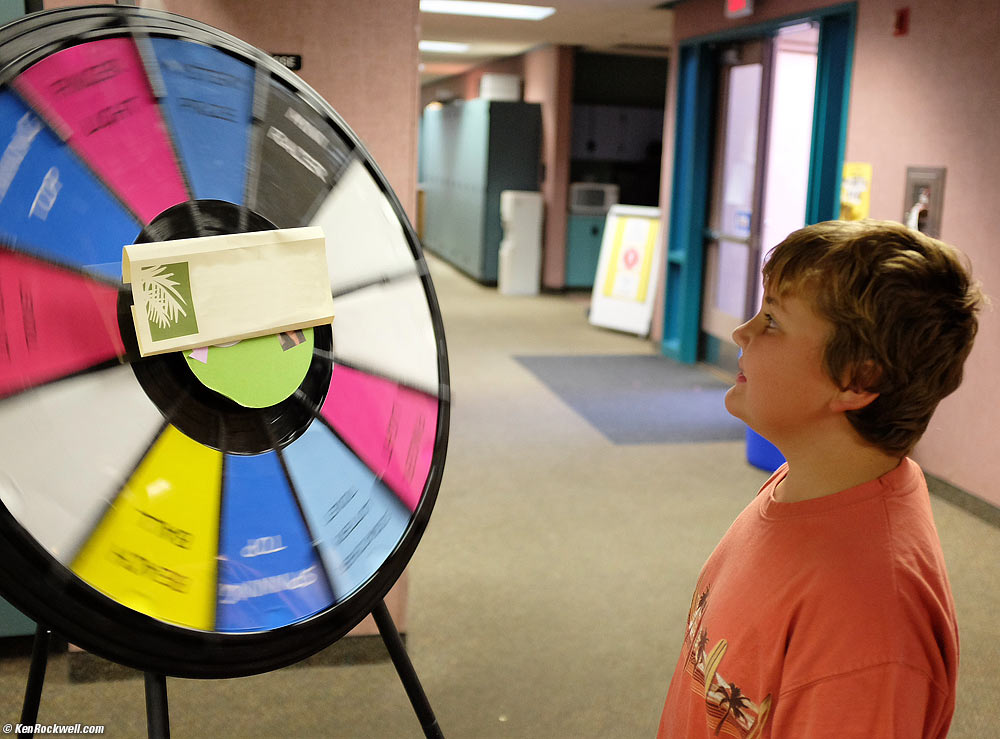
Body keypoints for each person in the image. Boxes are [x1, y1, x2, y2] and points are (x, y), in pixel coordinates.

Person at [658, 220, 983, 738]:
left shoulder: (869, 632)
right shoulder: (807, 481)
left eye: (772, 322)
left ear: (858, 380)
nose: (742, 333)